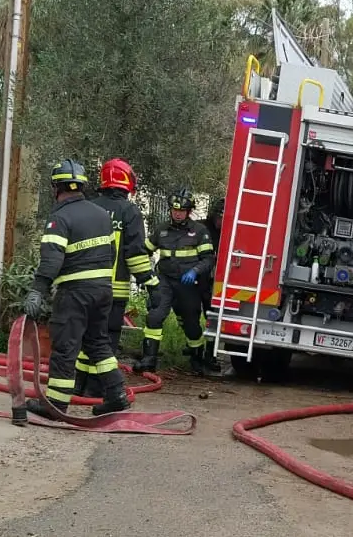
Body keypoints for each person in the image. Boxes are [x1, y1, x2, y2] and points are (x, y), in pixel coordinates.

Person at [22, 159, 129, 417]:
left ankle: (56, 404)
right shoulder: (102, 216)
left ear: (56, 187)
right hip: (104, 290)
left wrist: (38, 291)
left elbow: (51, 260)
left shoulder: (59, 218)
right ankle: (117, 395)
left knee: (65, 347)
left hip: (75, 292)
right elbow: (112, 252)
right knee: (98, 343)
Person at [79, 157, 155, 393]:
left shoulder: (88, 207)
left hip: (82, 288)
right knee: (106, 340)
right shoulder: (129, 211)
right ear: (128, 181)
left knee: (84, 338)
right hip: (113, 292)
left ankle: (77, 386)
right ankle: (96, 389)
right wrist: (152, 283)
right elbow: (135, 255)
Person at [137, 187, 214, 373]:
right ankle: (149, 359)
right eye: (174, 210)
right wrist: (145, 274)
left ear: (188, 212)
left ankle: (197, 358)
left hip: (188, 285)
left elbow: (209, 259)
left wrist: (195, 271)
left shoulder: (199, 231)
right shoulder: (161, 230)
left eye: (181, 211)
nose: (177, 214)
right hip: (164, 280)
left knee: (191, 324)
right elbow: (143, 252)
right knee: (155, 316)